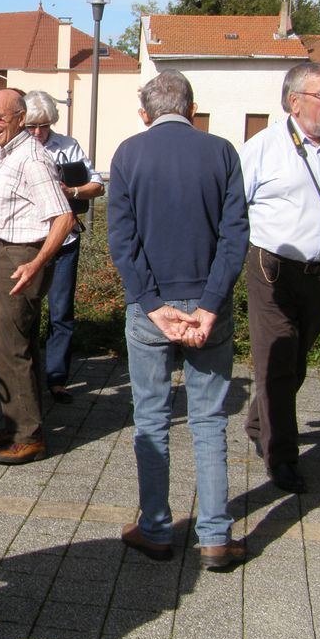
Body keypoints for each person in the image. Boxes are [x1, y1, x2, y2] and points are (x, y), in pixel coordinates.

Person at [108, 70, 249, 570]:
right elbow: (235, 237)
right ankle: (214, 537)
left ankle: (156, 530)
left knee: (151, 418)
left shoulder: (127, 154)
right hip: (207, 306)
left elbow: (122, 243)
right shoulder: (222, 152)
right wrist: (209, 304)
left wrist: (150, 303)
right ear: (190, 107)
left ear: (146, 111)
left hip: (151, 310)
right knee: (209, 421)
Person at [241, 61, 320, 494]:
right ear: (294, 101)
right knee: (277, 361)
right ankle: (281, 457)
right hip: (273, 271)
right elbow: (233, 209)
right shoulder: (264, 147)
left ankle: (258, 422)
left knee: (295, 360)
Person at [0, 89, 75, 464]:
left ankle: (30, 436)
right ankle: (14, 424)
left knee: (13, 348)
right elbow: (17, 209)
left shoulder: (32, 158)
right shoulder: (10, 153)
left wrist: (36, 263)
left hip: (22, 258)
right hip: (6, 250)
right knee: (10, 346)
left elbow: (63, 218)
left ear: (21, 119)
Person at [23, 90, 105, 404]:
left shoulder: (68, 147)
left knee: (60, 313)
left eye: (44, 126)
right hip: (30, 241)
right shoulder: (17, 150)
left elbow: (96, 185)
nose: (39, 132)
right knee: (26, 312)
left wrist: (71, 190)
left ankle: (56, 378)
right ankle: (26, 373)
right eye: (32, 126)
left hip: (65, 242)